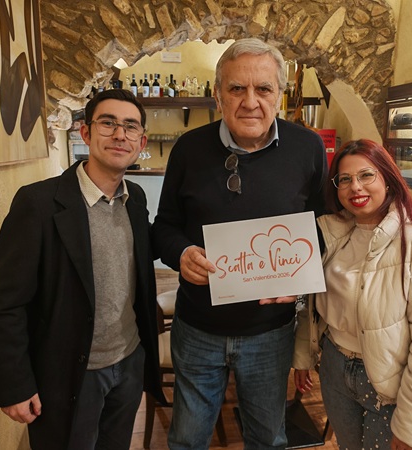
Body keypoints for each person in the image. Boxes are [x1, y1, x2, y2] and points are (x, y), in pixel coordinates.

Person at [151, 38, 327, 449]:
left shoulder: (308, 148)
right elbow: (164, 228)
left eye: (263, 88)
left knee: (267, 439)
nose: (250, 101)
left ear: (279, 95)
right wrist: (181, 253)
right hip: (197, 328)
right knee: (187, 440)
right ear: (218, 95)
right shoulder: (189, 149)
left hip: (271, 332)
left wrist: (299, 278)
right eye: (236, 89)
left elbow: (324, 228)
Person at [0, 89, 165, 450]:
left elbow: (144, 257)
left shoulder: (135, 199)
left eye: (131, 127)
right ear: (85, 132)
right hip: (70, 373)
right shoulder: (38, 204)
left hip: (128, 363)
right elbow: (6, 304)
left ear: (141, 141)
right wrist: (15, 384)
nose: (120, 134)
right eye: (108, 123)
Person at [293, 139, 412, 450]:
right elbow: (310, 306)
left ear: (388, 179)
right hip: (334, 367)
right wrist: (302, 357)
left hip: (390, 381)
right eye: (344, 179)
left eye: (367, 175)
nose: (355, 187)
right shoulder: (330, 237)